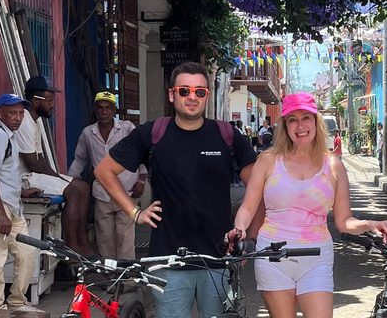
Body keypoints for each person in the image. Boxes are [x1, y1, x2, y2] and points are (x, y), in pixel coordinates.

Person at [94, 62, 258, 318]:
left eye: (199, 91)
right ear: (172, 94)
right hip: (167, 260)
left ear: (206, 95)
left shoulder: (227, 136)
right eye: (184, 91)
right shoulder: (153, 133)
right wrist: (134, 212)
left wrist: (249, 238)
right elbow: (104, 171)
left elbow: (258, 189)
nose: (192, 97)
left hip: (216, 259)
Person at [229, 92, 387, 318]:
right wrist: (239, 230)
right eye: (293, 119)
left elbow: (343, 221)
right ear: (285, 125)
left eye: (306, 118)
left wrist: (369, 223)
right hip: (273, 255)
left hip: (317, 257)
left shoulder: (333, 165)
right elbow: (248, 207)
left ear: (316, 122)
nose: (300, 125)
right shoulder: (269, 160)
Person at [0, 94, 43, 316]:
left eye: (21, 113)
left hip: (11, 206)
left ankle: (16, 301)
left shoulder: (7, 134)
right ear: (0, 113)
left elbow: (3, 174)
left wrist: (21, 191)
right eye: (12, 113)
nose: (17, 118)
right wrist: (1, 214)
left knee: (27, 251)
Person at [16, 75, 93, 256]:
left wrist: (57, 176)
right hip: (24, 177)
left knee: (83, 187)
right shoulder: (25, 122)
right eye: (49, 100)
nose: (52, 105)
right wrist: (58, 178)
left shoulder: (35, 121)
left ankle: (82, 241)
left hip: (34, 173)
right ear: (35, 101)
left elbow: (41, 158)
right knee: (73, 191)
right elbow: (32, 163)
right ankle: (71, 248)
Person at [67, 91, 145, 260]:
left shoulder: (126, 128)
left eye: (108, 108)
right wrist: (69, 180)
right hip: (102, 193)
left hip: (127, 190)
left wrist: (142, 179)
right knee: (105, 238)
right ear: (95, 110)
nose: (104, 112)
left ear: (114, 110)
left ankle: (127, 279)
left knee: (125, 237)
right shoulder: (88, 133)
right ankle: (109, 277)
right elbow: (80, 160)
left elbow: (141, 153)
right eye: (100, 108)